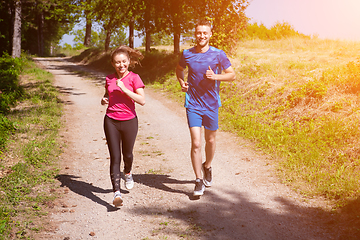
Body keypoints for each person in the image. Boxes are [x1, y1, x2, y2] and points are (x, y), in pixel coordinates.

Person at [175, 19, 236, 196]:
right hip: (193, 104)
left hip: (211, 105)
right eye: (198, 33)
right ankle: (198, 180)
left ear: (210, 34)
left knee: (210, 141)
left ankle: (207, 166)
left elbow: (231, 75)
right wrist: (181, 82)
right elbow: (179, 69)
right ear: (195, 34)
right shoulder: (187, 53)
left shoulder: (218, 54)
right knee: (196, 143)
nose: (201, 36)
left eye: (204, 33)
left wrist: (215, 77)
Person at [101, 45, 145, 207]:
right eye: (118, 62)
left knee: (127, 155)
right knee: (115, 157)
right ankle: (116, 193)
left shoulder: (134, 78)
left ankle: (128, 172)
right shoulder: (109, 79)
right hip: (111, 120)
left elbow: (142, 100)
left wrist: (125, 89)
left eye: (124, 62)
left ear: (129, 62)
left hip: (129, 121)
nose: (121, 65)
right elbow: (107, 94)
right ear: (113, 64)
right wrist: (104, 99)